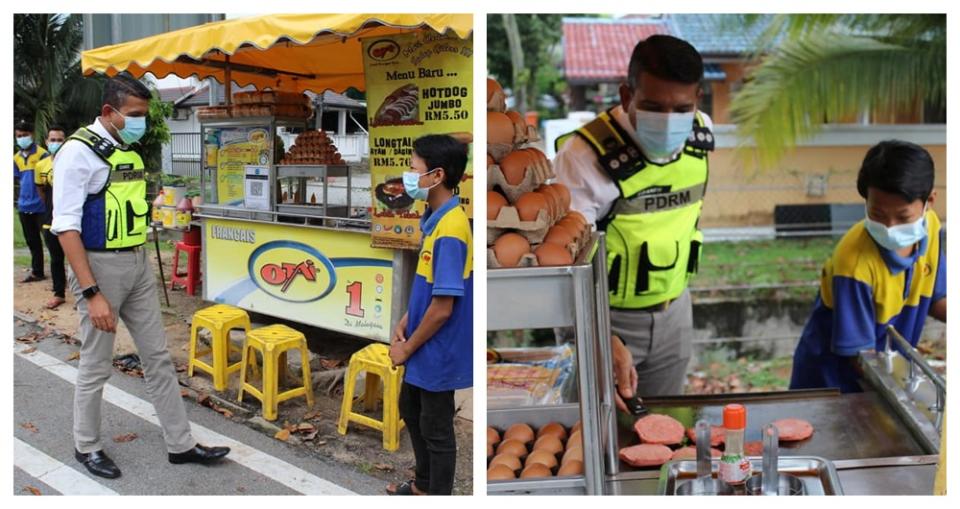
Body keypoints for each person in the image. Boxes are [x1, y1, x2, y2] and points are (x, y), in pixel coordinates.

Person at [51, 74, 230, 479]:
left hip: (136, 262)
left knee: (159, 358)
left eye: (144, 115)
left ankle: (180, 445)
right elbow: (65, 227)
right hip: (99, 267)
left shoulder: (122, 148)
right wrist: (92, 292)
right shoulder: (77, 154)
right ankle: (87, 446)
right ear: (108, 112)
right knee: (97, 364)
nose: (140, 123)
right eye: (133, 115)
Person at [554, 35, 713, 403]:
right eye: (654, 106)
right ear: (627, 97)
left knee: (664, 423)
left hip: (675, 311)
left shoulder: (702, 133)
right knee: (596, 435)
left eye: (682, 108)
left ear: (697, 100)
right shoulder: (581, 158)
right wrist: (596, 335)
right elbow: (563, 265)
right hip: (606, 320)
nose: (670, 121)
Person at [790, 140, 946, 393]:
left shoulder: (930, 228)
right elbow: (861, 357)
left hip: (887, 373)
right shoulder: (853, 264)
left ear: (929, 201)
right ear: (865, 200)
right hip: (834, 385)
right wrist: (908, 394)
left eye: (903, 217)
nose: (890, 227)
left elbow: (937, 296)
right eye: (877, 214)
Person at [386, 134, 472, 495]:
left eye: (412, 168)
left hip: (438, 348)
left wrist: (406, 348)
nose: (407, 175)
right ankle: (423, 485)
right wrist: (407, 316)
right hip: (423, 339)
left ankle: (436, 494)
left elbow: (443, 308)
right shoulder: (435, 218)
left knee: (436, 427)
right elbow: (430, 286)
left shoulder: (451, 228)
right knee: (410, 406)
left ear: (436, 176)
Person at [34, 125, 67, 309]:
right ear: (46, 142)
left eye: (59, 140)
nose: (55, 143)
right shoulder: (41, 165)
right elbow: (41, 190)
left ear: (66, 142)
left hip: (71, 219)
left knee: (78, 258)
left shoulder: (72, 163)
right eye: (52, 140)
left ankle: (83, 294)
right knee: (56, 258)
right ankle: (59, 293)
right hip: (50, 219)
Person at [14, 118, 50, 283]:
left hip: (42, 206)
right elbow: (16, 180)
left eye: (25, 135)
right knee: (32, 241)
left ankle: (61, 272)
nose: (22, 138)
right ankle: (37, 272)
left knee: (50, 240)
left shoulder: (43, 153)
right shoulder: (16, 158)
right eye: (19, 135)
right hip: (24, 205)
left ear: (32, 135)